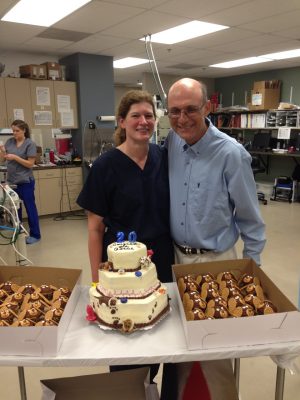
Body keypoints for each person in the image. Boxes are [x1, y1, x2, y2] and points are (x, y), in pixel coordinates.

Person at [165, 78, 266, 398]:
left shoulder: (231, 154)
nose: (182, 119)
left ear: (208, 108)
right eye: (174, 111)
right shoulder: (171, 142)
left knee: (218, 353)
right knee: (181, 348)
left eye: (191, 110)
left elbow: (251, 221)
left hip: (216, 263)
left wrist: (250, 275)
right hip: (176, 259)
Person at [77, 90, 175, 399]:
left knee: (159, 334)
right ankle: (126, 391)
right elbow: (94, 229)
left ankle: (150, 387)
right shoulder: (105, 167)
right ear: (122, 121)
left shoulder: (164, 157)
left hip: (161, 263)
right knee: (125, 339)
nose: (143, 121)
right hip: (119, 269)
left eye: (149, 115)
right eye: (136, 116)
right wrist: (98, 280)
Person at [0, 119, 41, 244]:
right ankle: (18, 231)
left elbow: (29, 164)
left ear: (24, 130)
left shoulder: (30, 144)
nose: (15, 133)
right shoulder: (9, 142)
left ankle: (35, 235)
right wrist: (2, 152)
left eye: (17, 131)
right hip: (12, 182)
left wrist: (15, 157)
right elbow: (3, 161)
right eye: (13, 131)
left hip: (26, 182)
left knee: (30, 208)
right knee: (15, 209)